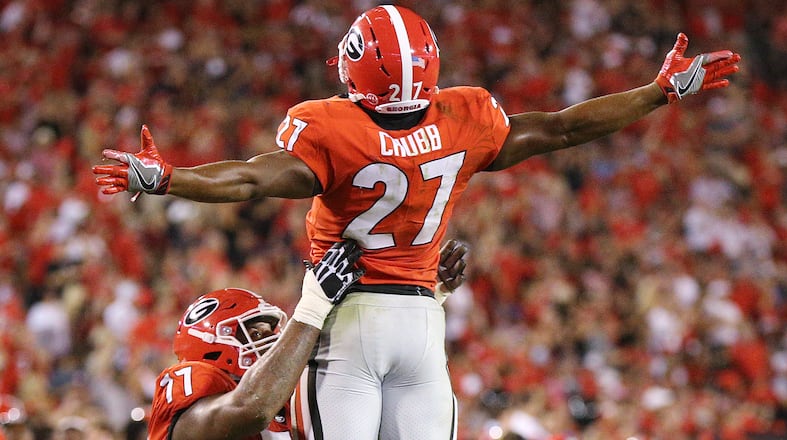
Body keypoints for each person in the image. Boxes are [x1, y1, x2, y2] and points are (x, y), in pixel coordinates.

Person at [92, 5, 740, 439]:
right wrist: (657, 93)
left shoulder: (330, 127)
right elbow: (564, 127)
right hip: (423, 323)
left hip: (346, 318)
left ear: (352, 68)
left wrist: (173, 178)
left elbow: (253, 178)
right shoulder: (464, 117)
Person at [145, 239, 466, 440]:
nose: (272, 339)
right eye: (256, 332)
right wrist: (313, 305)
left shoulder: (284, 394)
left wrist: (416, 299)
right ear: (214, 342)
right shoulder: (194, 384)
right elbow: (250, 409)